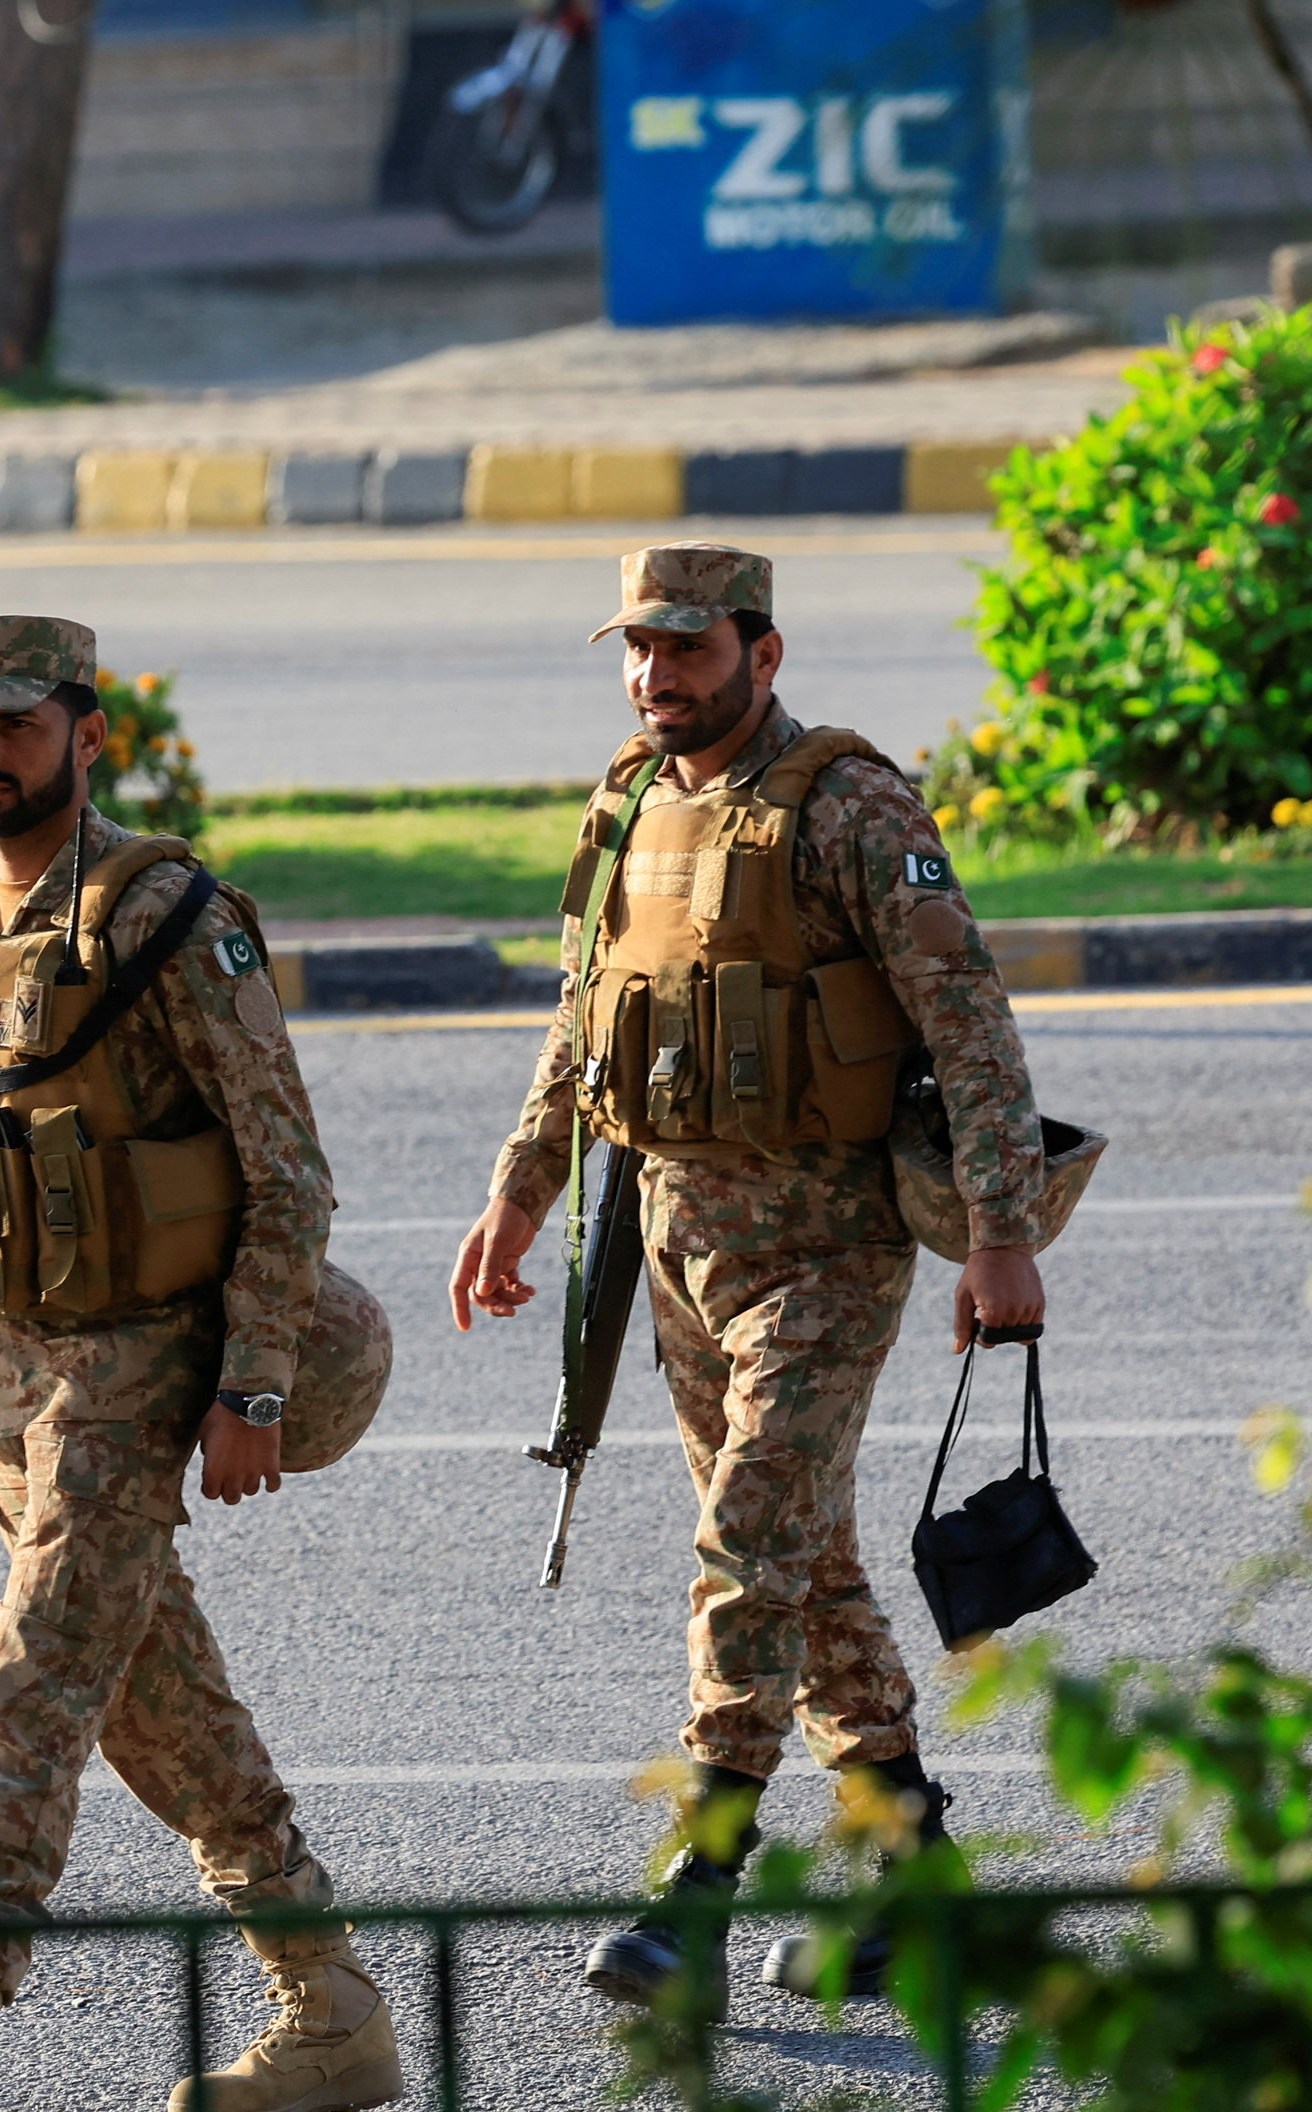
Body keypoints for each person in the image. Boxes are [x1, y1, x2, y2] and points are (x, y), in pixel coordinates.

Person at [0, 615, 397, 2112]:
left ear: (83, 732)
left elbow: (289, 1176)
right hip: (12, 1390)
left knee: (34, 1701)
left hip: (138, 1381)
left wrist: (253, 1387)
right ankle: (334, 2012)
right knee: (158, 1708)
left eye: (13, 726)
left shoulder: (166, 917)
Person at [444, 544, 1052, 2016]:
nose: (658, 676)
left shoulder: (852, 806)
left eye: (689, 650)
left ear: (762, 657)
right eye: (638, 651)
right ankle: (920, 1883)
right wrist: (520, 1191)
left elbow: (964, 1018)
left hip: (824, 1254)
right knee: (806, 1562)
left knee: (743, 1551)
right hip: (675, 1247)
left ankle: (697, 1888)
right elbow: (583, 1013)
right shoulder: (630, 800)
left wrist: (1000, 1231)